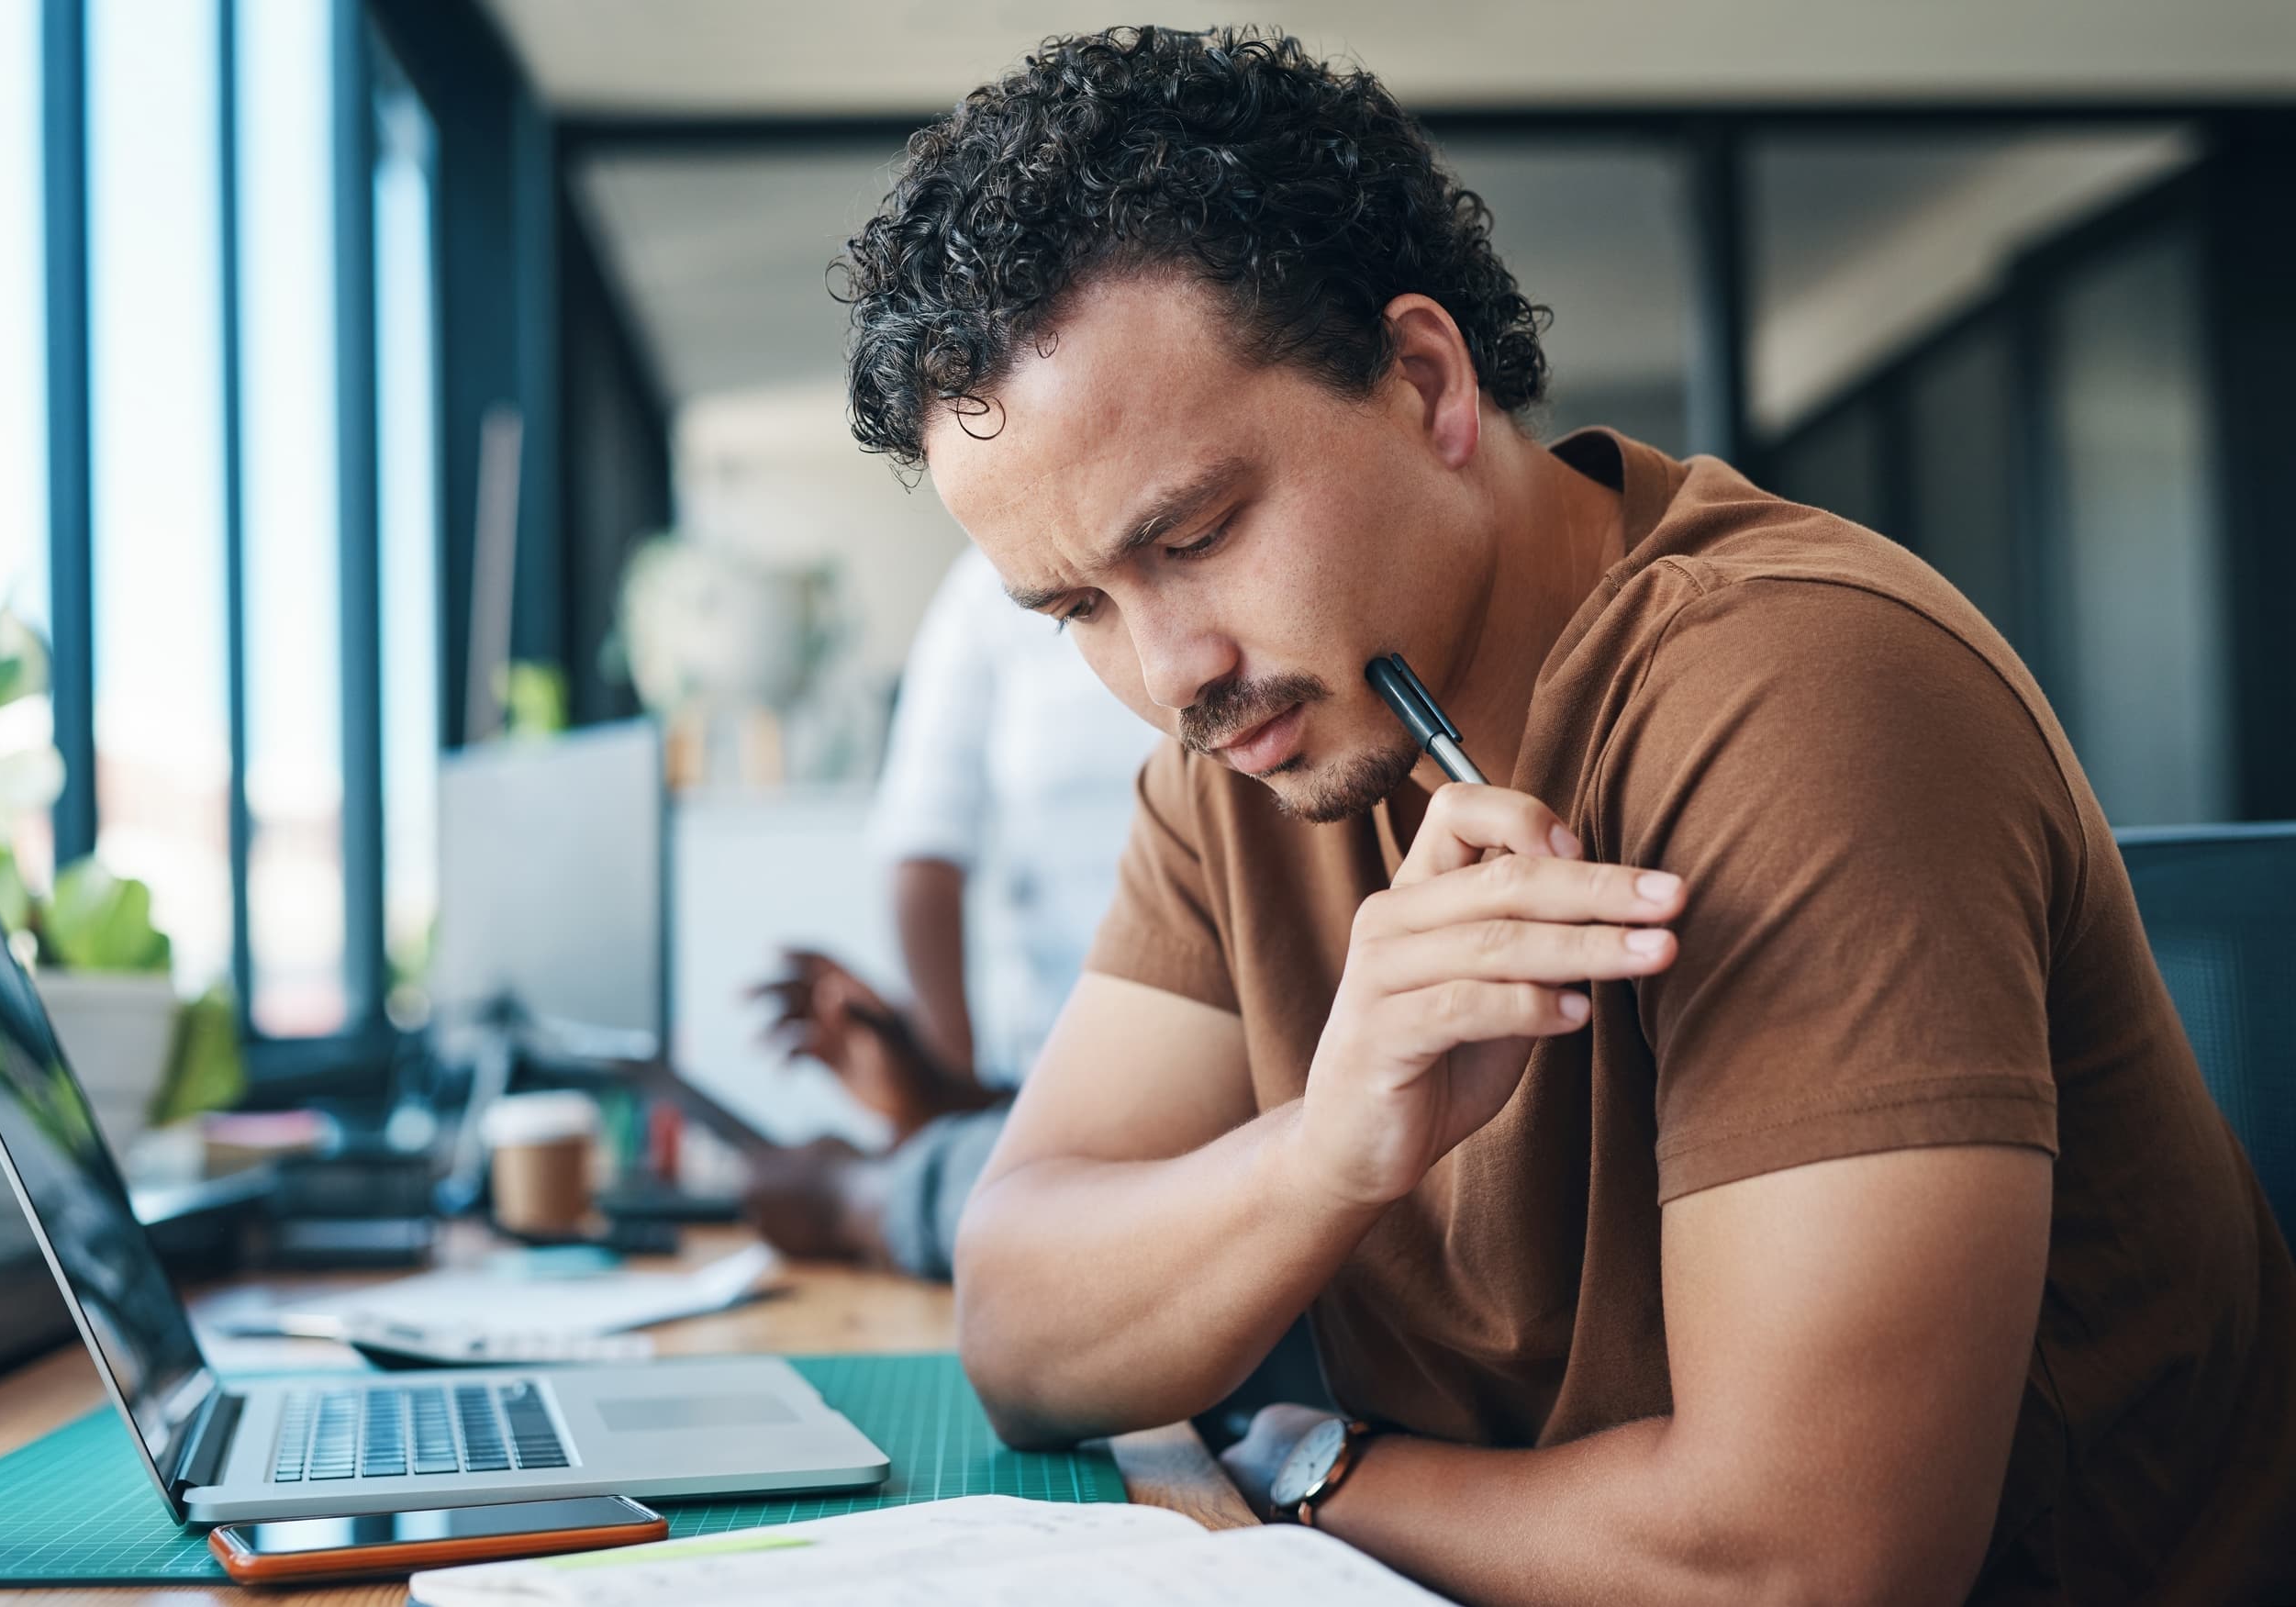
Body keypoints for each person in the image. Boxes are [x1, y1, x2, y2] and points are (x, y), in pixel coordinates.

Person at [830, 26, 2296, 1606]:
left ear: (1426, 380)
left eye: (1194, 533)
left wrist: (1327, 1473)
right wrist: (1328, 1151)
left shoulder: (1802, 692)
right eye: (1077, 610)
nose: (1168, 668)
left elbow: (1809, 1568)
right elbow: (1020, 1320)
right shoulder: (1256, 741)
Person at [742, 544, 1158, 1278]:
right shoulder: (980, 595)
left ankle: (861, 1195)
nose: (1165, 674)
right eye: (1074, 612)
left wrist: (866, 1189)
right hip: (1047, 1073)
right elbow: (923, 849)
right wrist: (946, 1082)